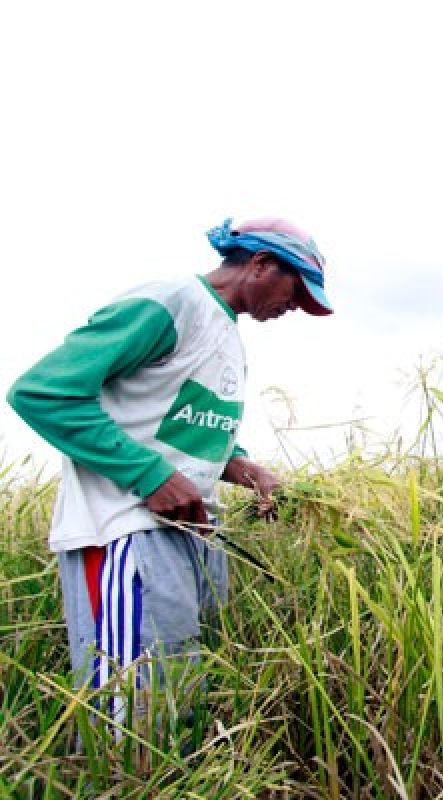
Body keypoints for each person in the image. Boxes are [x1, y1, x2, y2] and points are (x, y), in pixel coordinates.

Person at [6, 216, 333, 741]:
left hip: (192, 539)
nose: (295, 306)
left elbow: (183, 428)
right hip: (126, 536)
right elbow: (42, 391)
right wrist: (148, 474)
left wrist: (247, 469)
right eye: (296, 290)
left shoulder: (225, 331)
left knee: (180, 706)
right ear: (261, 264)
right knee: (131, 718)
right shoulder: (171, 301)